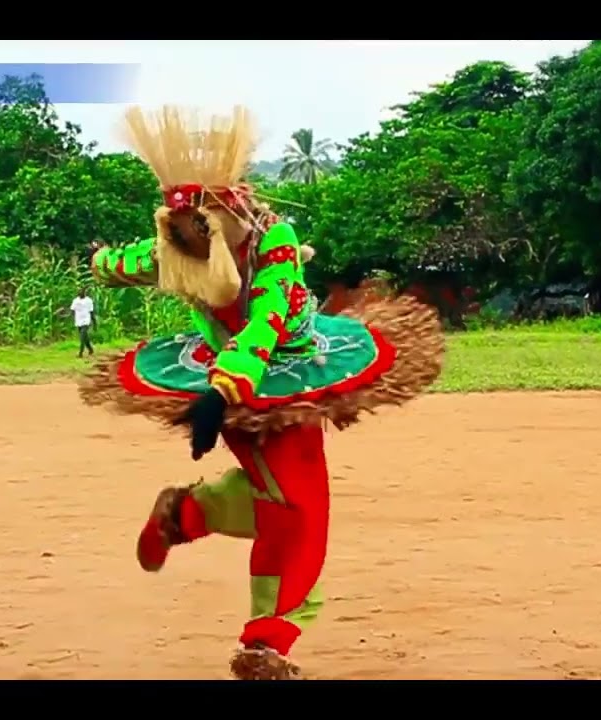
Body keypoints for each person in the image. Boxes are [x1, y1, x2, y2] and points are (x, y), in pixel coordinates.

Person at [77, 105, 444, 680]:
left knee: (284, 500)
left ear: (228, 210)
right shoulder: (178, 246)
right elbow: (132, 262)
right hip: (241, 386)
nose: (196, 240)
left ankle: (188, 516)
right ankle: (266, 642)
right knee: (299, 507)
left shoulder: (274, 240)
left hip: (279, 375)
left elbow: (269, 316)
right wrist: (103, 262)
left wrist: (223, 392)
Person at [70, 288, 95, 357]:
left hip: (86, 320)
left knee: (82, 337)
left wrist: (94, 322)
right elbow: (72, 310)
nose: (80, 292)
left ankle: (80, 353)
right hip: (78, 321)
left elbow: (91, 312)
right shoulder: (75, 301)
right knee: (85, 337)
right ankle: (90, 349)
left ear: (84, 293)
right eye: (79, 291)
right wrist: (72, 319)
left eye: (81, 291)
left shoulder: (89, 300)